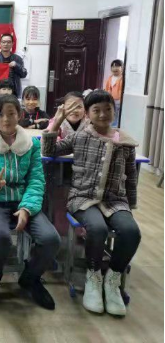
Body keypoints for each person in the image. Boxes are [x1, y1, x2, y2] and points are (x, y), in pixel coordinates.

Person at [43, 90, 141, 317]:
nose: (103, 114)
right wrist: (57, 121)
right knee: (97, 229)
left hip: (115, 201)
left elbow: (131, 177)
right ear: (87, 114)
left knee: (131, 231)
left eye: (108, 109)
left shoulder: (125, 142)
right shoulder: (81, 136)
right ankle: (93, 276)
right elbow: (49, 150)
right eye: (96, 110)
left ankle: (113, 279)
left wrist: (130, 206)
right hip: (83, 198)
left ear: (114, 111)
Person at [0, 94, 61, 312]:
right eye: (0, 115)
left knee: (51, 239)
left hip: (23, 201)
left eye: (11, 114)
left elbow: (36, 180)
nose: (6, 119)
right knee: (1, 237)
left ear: (19, 115)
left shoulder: (31, 144)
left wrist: (27, 208)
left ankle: (30, 278)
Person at [104, 59, 124, 127]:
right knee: (110, 114)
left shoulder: (123, 78)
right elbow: (106, 89)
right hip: (110, 100)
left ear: (122, 68)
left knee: (117, 116)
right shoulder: (110, 78)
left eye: (117, 66)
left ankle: (114, 128)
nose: (115, 68)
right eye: (113, 66)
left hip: (119, 101)